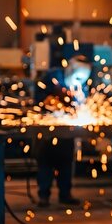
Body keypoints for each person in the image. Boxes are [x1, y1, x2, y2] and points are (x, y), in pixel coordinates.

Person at [34, 55, 92, 208]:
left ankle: (65, 194)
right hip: (47, 128)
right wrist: (51, 105)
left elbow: (83, 102)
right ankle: (44, 195)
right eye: (77, 78)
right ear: (70, 70)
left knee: (66, 161)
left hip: (67, 129)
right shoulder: (52, 77)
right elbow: (38, 99)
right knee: (46, 162)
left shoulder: (81, 85)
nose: (79, 82)